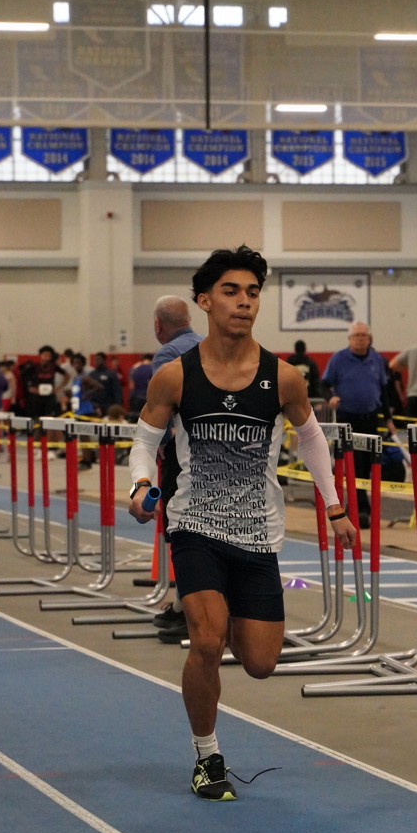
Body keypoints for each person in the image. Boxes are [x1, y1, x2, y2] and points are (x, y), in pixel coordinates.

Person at [128, 245, 356, 801]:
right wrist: (139, 485)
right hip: (194, 524)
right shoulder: (174, 377)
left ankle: (221, 610)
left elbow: (312, 440)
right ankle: (207, 756)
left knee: (260, 662)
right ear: (204, 301)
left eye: (253, 292)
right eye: (231, 291)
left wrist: (335, 506)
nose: (244, 301)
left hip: (257, 532)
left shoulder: (283, 377)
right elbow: (144, 441)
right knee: (206, 642)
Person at [150, 297, 203, 641]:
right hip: (218, 452)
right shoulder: (209, 347)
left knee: (181, 529)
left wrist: (159, 445)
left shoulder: (167, 355)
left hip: (181, 454)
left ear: (159, 325)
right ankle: (192, 608)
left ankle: (188, 611)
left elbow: (160, 410)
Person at [323, 321, 398, 528]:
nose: (360, 340)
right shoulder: (338, 358)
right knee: (353, 464)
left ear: (369, 338)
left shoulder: (377, 359)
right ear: (350, 339)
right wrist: (330, 397)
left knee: (367, 464)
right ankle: (358, 507)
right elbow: (324, 384)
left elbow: (383, 390)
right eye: (356, 336)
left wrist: (388, 419)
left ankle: (361, 506)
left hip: (370, 418)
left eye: (364, 336)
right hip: (347, 419)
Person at [26, 344, 67, 419]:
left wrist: (59, 388)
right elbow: (24, 376)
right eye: (45, 355)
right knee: (37, 418)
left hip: (49, 396)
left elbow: (67, 375)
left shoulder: (53, 367)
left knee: (49, 417)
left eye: (49, 356)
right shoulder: (35, 366)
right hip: (37, 397)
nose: (46, 357)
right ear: (40, 355)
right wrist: (30, 387)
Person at [127, 353, 154, 417]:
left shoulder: (134, 368)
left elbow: (131, 385)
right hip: (146, 397)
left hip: (134, 397)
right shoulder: (151, 368)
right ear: (151, 360)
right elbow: (150, 384)